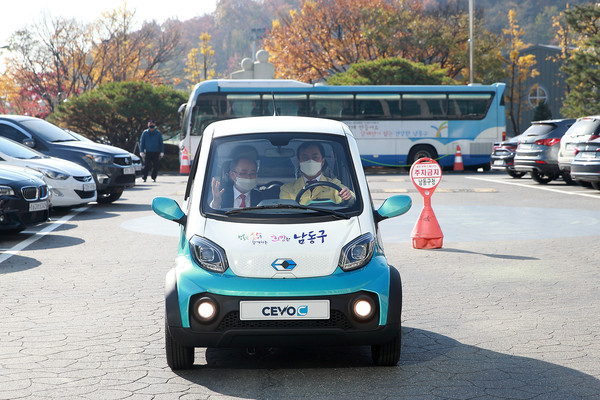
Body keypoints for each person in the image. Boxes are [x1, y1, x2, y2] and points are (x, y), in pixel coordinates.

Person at [280, 142, 354, 205]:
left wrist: (348, 195)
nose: (310, 161)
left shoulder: (334, 184)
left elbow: (352, 199)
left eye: (315, 157)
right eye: (305, 157)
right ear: (299, 162)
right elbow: (286, 212)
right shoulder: (287, 189)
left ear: (322, 161)